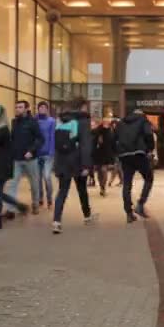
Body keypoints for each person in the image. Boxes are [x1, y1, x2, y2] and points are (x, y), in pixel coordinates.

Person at [51, 97, 93, 234]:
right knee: (82, 190)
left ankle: (56, 222)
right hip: (77, 161)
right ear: (82, 107)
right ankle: (87, 216)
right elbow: (86, 145)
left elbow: (57, 144)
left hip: (62, 161)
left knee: (62, 191)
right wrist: (86, 165)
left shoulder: (61, 119)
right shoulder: (83, 121)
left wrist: (56, 163)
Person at [3, 100, 44, 218]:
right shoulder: (14, 122)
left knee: (34, 184)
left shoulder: (33, 122)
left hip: (31, 160)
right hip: (16, 159)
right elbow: (13, 139)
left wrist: (31, 151)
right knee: (12, 184)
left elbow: (40, 139)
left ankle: (35, 204)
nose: (17, 109)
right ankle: (11, 209)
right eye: (16, 107)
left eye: (20, 107)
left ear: (27, 109)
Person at [114, 109, 155, 223]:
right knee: (149, 178)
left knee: (127, 183)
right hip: (139, 154)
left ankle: (128, 213)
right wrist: (150, 149)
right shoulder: (143, 120)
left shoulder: (121, 122)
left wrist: (117, 153)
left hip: (125, 155)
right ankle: (140, 204)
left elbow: (114, 138)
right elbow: (148, 134)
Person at [36, 101, 56, 210]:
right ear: (38, 109)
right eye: (40, 107)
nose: (42, 109)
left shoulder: (51, 121)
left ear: (47, 109)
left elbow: (52, 136)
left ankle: (49, 198)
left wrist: (52, 151)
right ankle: (40, 198)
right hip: (37, 153)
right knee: (38, 178)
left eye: (44, 107)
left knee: (47, 177)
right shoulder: (35, 120)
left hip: (48, 153)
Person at [93, 118, 116, 197]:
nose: (106, 124)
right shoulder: (98, 131)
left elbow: (113, 143)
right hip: (99, 153)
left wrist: (114, 154)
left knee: (103, 170)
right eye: (105, 122)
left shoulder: (110, 131)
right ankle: (101, 186)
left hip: (106, 154)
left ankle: (103, 187)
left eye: (107, 122)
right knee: (100, 171)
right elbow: (93, 141)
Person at [108, 119, 123, 187]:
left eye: (115, 124)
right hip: (115, 152)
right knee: (118, 167)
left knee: (116, 167)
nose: (114, 125)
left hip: (119, 152)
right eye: (113, 124)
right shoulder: (112, 132)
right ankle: (122, 181)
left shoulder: (119, 133)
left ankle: (111, 180)